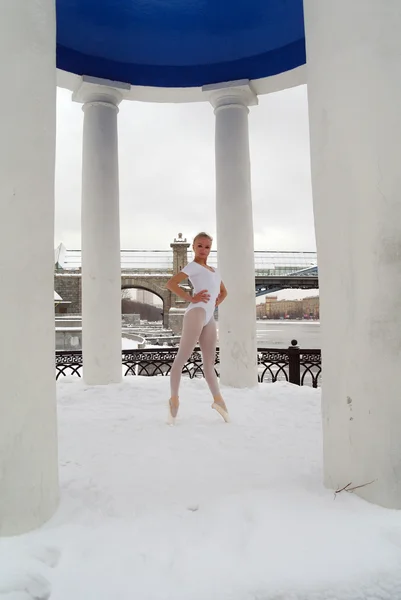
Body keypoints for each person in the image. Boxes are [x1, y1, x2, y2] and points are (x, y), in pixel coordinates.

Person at [165, 232, 229, 424]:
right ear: (193, 247)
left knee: (209, 363)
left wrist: (218, 300)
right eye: (200, 246)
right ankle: (174, 400)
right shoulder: (192, 267)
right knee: (182, 358)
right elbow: (171, 283)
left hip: (209, 316)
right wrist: (190, 298)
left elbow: (224, 291)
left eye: (207, 247)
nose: (203, 250)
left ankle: (218, 401)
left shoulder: (214, 270)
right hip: (196, 312)